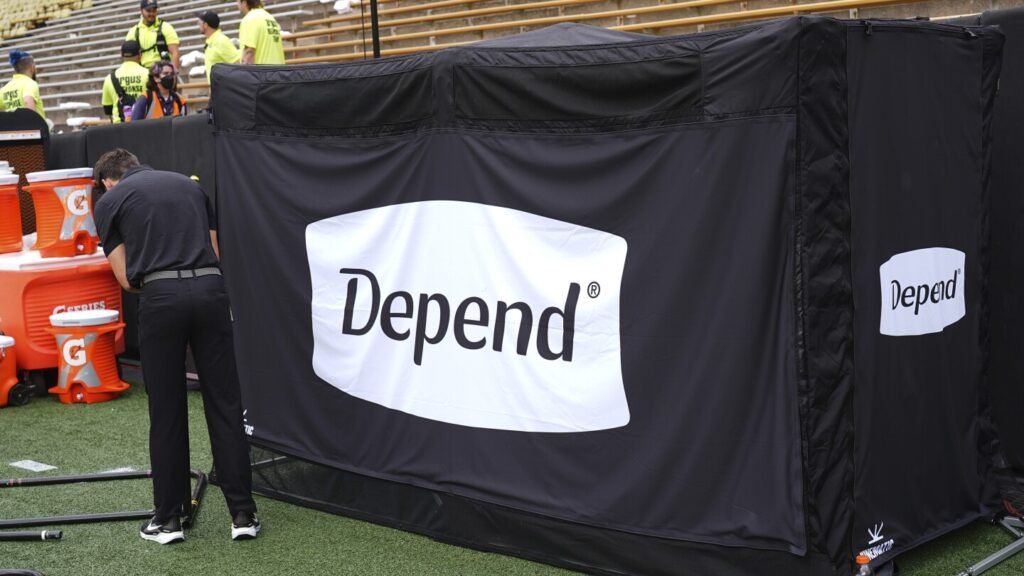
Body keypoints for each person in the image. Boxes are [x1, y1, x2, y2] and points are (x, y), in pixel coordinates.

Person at [92, 148, 260, 544]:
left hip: (161, 297)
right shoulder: (189, 186)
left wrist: (161, 282)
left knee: (166, 409)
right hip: (211, 290)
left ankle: (169, 521)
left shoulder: (110, 201)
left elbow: (125, 278)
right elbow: (214, 252)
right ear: (136, 165)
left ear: (107, 182)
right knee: (225, 403)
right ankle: (243, 515)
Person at [126, 0, 181, 73]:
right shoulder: (134, 31)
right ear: (141, 11)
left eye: (154, 10)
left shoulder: (166, 27)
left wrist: (173, 74)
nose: (152, 13)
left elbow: (175, 52)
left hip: (162, 71)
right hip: (142, 72)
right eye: (148, 11)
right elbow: (128, 57)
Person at [101, 41, 148, 124]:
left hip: (119, 126)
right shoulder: (148, 74)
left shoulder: (110, 78)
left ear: (121, 55)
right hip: (143, 124)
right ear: (140, 54)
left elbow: (107, 109)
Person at [1, 50, 45, 121]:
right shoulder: (30, 83)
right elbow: (27, 101)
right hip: (33, 127)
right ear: (32, 67)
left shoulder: (5, 88)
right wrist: (33, 124)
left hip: (14, 127)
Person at [237, 0, 285, 65]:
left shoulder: (249, 19)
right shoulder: (270, 18)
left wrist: (244, 70)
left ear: (244, 2)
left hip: (261, 70)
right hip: (278, 69)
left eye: (237, 1)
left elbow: (249, 52)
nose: (236, 4)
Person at [198, 10, 239, 84]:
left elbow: (237, 63)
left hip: (225, 88)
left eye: (199, 23)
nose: (198, 25)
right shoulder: (211, 41)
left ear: (205, 25)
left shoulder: (221, 41)